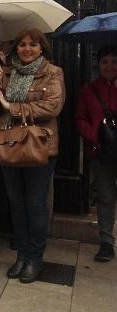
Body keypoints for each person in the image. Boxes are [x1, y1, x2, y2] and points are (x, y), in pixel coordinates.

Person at [0, 28, 64, 283]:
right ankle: (21, 254)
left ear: (41, 48)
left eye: (32, 44)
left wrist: (13, 107)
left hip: (38, 145)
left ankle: (35, 258)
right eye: (22, 45)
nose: (27, 49)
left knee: (35, 204)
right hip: (9, 143)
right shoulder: (6, 72)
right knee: (16, 204)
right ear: (15, 48)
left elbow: (51, 107)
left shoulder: (53, 72)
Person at [75, 45, 117, 262]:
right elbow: (80, 118)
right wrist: (94, 135)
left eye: (113, 61)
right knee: (105, 196)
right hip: (100, 151)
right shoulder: (89, 89)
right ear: (98, 65)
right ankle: (107, 241)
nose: (109, 66)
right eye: (104, 62)